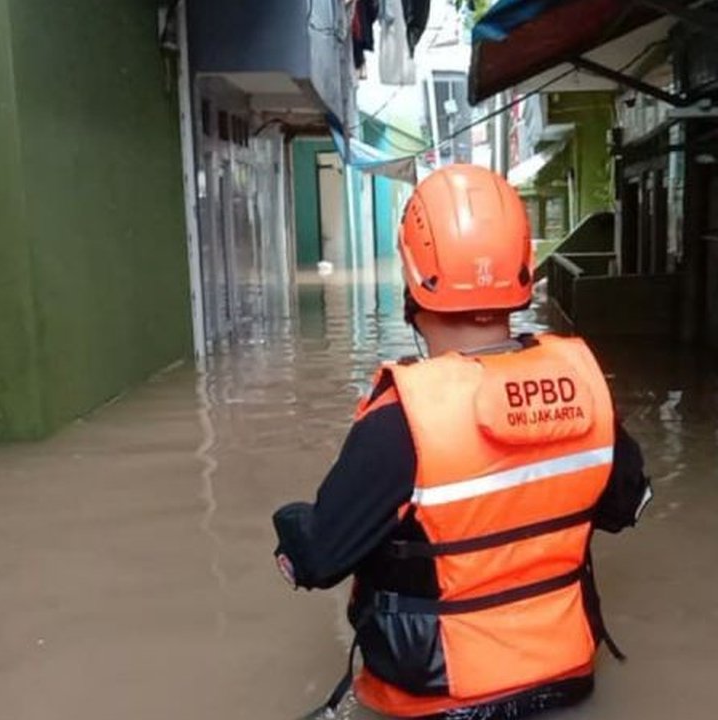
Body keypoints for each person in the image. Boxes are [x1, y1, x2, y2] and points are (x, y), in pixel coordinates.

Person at [273, 164, 652, 719]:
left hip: (436, 699)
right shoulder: (584, 390)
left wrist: (292, 527)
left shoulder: (400, 421)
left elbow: (321, 561)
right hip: (567, 680)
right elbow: (625, 507)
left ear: (411, 275)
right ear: (524, 268)